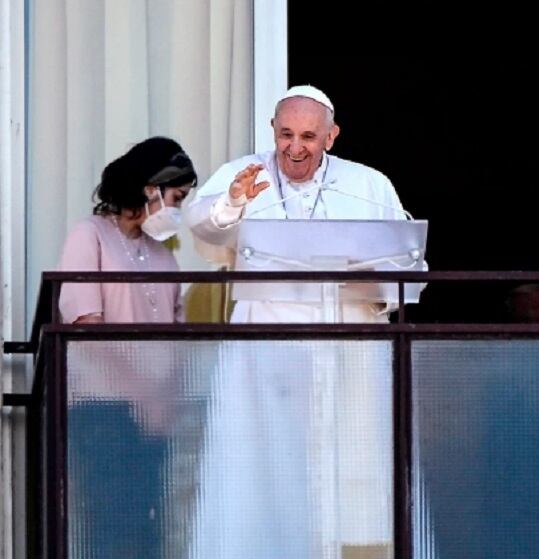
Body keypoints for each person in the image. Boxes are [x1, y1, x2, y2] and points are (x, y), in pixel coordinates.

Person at [185, 85, 409, 557]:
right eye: (285, 134)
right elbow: (203, 229)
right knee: (265, 471)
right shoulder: (242, 174)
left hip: (350, 353)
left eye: (308, 136)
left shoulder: (369, 184)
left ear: (332, 136)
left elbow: (409, 266)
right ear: (272, 130)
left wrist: (371, 283)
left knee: (353, 473)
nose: (295, 147)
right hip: (266, 352)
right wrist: (232, 204)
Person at [56, 137, 197, 559]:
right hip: (103, 409)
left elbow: (178, 337)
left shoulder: (163, 257)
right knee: (109, 523)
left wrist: (167, 398)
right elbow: (86, 325)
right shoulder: (91, 235)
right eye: (177, 197)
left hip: (154, 416)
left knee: (150, 527)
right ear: (150, 188)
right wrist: (143, 393)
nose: (178, 209)